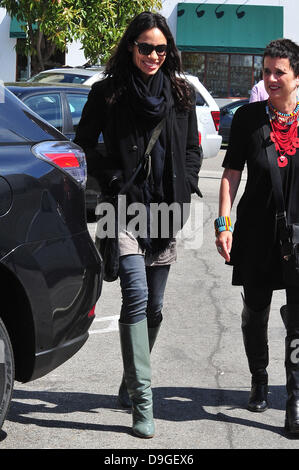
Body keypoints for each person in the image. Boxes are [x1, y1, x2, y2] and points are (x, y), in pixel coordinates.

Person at [74, 11, 202, 438]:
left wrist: (185, 188)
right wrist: (109, 178)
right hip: (123, 209)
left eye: (160, 49)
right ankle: (142, 405)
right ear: (131, 46)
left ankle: (130, 380)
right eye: (145, 47)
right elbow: (83, 145)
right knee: (136, 295)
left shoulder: (180, 93)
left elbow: (191, 150)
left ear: (169, 52)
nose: (153, 56)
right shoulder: (108, 93)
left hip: (165, 212)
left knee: (156, 307)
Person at [215, 38, 299, 434]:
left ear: (297, 76)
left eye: (278, 72)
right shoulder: (249, 118)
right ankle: (260, 378)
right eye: (266, 71)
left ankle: (295, 400)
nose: (270, 78)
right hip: (256, 231)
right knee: (256, 312)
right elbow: (231, 174)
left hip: (298, 237)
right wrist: (222, 223)